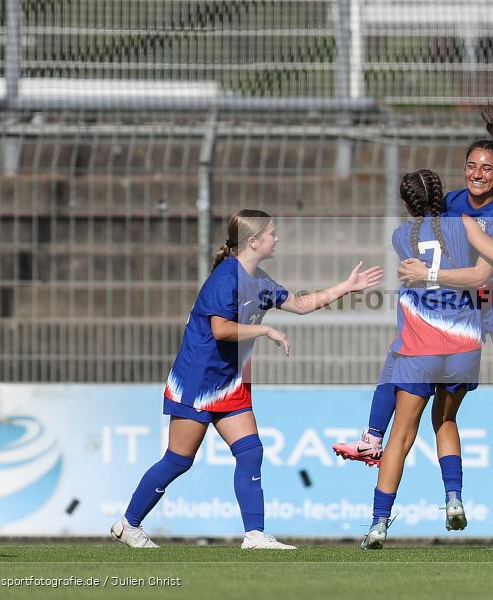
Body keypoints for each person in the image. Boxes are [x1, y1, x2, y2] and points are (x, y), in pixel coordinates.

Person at [334, 113, 493, 468]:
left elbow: (479, 276)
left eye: (487, 169)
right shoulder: (453, 202)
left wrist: (428, 272)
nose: (477, 174)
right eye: (471, 166)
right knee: (400, 357)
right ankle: (373, 440)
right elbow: (426, 235)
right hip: (462, 302)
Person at [111, 209, 382, 550]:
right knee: (178, 460)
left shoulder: (261, 280)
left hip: (229, 383)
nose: (277, 238)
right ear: (253, 242)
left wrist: (347, 286)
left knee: (251, 452)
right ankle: (128, 524)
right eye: (271, 233)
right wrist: (265, 328)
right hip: (197, 382)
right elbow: (220, 330)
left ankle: (254, 535)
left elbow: (299, 303)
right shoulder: (226, 279)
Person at [362, 169, 493, 550]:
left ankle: (378, 524)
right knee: (447, 420)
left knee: (401, 437)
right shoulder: (466, 224)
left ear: (406, 204)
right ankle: (453, 498)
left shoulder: (401, 236)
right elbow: (482, 271)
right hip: (464, 345)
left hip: (421, 347)